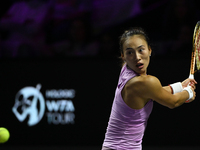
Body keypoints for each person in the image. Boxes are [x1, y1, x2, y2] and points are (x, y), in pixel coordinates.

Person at [101, 27, 197, 150]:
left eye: (141, 50)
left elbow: (153, 92)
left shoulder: (126, 70)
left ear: (150, 50)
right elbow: (173, 102)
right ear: (123, 56)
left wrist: (180, 86)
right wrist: (188, 93)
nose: (137, 57)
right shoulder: (144, 82)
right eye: (130, 52)